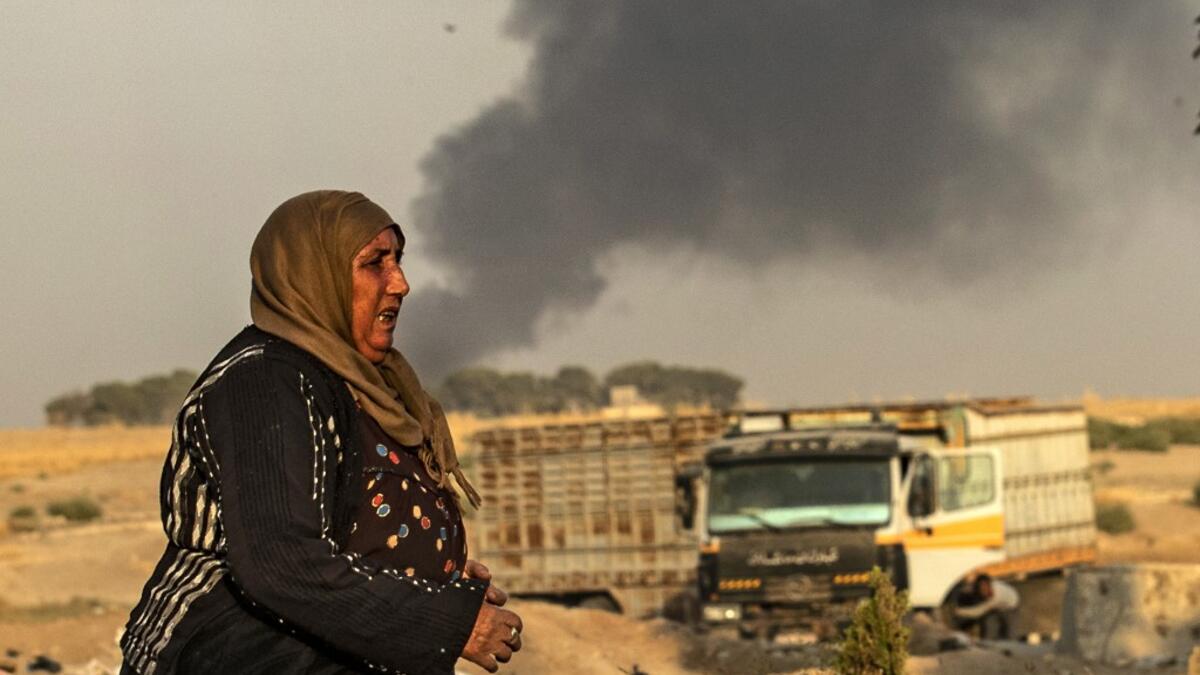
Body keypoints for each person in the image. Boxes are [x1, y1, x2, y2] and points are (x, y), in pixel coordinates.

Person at [120, 191, 522, 674]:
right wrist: (444, 621)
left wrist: (427, 576)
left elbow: (347, 523)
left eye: (398, 260)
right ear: (316, 275)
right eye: (376, 263)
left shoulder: (363, 384)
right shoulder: (265, 382)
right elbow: (283, 562)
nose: (401, 284)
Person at [952, 573, 1019, 639]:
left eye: (985, 587)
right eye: (981, 588)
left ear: (989, 584)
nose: (984, 590)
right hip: (1005, 597)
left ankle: (1003, 641)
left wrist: (959, 611)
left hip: (1011, 605)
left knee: (1008, 630)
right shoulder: (991, 586)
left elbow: (978, 612)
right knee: (987, 617)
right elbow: (970, 589)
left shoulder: (995, 598)